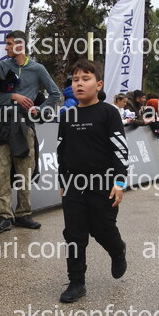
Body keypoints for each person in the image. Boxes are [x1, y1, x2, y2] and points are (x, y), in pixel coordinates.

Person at [57, 60, 128, 303]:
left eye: (85, 79)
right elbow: (61, 151)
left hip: (104, 184)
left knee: (102, 230)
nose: (79, 83)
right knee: (74, 235)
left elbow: (120, 150)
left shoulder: (109, 112)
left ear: (98, 85)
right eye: (75, 79)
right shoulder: (67, 116)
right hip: (74, 185)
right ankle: (76, 282)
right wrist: (62, 181)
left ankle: (117, 250)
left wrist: (119, 182)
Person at [0, 30, 61, 234]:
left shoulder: (37, 69)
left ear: (20, 45)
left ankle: (23, 214)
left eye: (10, 44)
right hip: (3, 124)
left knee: (25, 171)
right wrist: (14, 97)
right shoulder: (2, 66)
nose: (6, 48)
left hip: (25, 125)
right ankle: (3, 216)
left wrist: (40, 109)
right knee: (2, 170)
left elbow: (55, 94)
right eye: (6, 44)